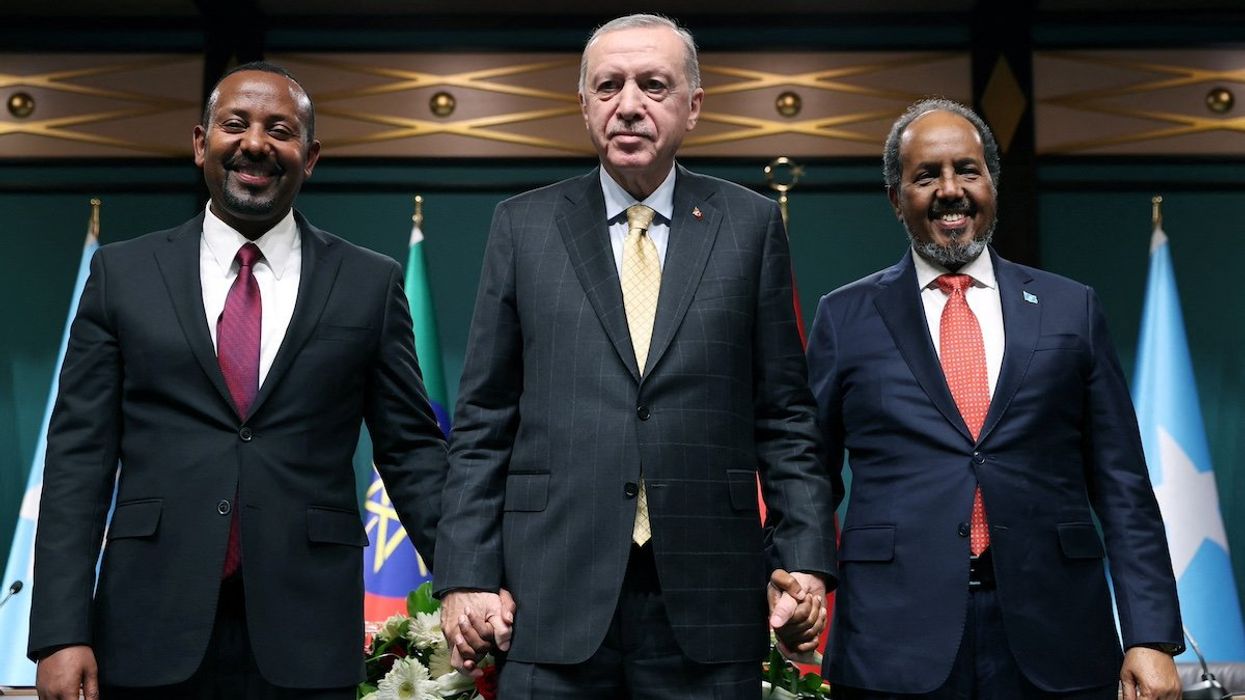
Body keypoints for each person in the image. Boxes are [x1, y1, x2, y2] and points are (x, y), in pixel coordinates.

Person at [434, 13, 838, 699]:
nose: (628, 105)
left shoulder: (750, 227)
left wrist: (806, 560)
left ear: (692, 106)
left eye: (653, 85)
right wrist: (464, 574)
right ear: (585, 105)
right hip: (550, 595)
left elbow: (786, 418)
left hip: (710, 596)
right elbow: (482, 422)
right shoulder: (523, 227)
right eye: (608, 86)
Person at [28, 62, 448, 699]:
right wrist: (61, 631)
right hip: (145, 628)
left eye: (280, 130)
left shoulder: (370, 283)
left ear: (309, 158)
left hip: (307, 633)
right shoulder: (123, 274)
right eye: (236, 124)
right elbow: (77, 461)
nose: (255, 143)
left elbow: (413, 452)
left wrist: (466, 578)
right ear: (202, 143)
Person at [806, 98, 1184, 700]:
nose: (950, 190)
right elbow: (809, 473)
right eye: (926, 176)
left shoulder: (1072, 308)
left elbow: (1123, 485)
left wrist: (1152, 636)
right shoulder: (845, 316)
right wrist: (802, 573)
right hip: (892, 637)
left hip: (1056, 633)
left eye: (968, 171)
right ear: (894, 197)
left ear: (992, 185)